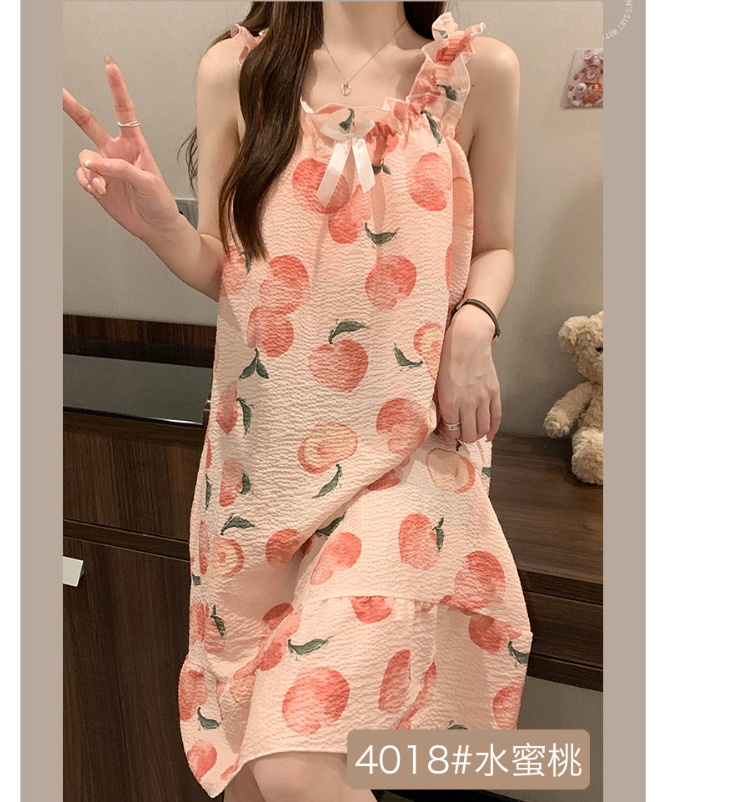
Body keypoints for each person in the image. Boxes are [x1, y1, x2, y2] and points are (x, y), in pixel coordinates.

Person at [63, 3, 533, 801]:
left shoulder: (476, 73)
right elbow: (229, 268)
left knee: (295, 762)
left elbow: (496, 246)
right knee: (253, 759)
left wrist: (474, 325)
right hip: (266, 463)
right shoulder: (236, 73)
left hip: (406, 456)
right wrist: (161, 229)